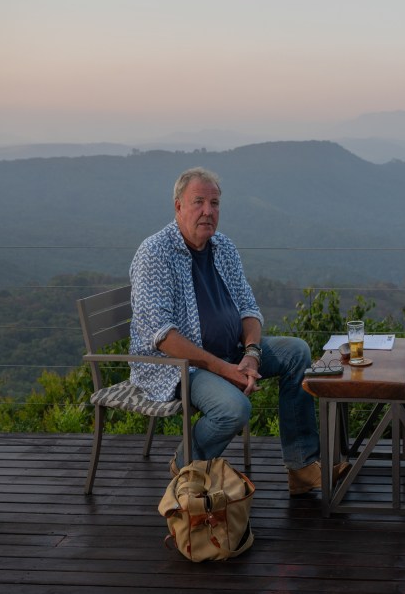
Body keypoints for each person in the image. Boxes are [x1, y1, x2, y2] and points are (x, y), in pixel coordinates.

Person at [128, 167, 346, 495]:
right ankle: (186, 463)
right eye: (198, 202)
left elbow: (249, 309)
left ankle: (301, 467)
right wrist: (224, 369)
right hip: (178, 367)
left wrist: (252, 355)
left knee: (297, 351)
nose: (208, 211)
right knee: (234, 408)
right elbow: (163, 336)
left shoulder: (223, 247)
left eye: (214, 203)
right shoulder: (155, 253)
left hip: (231, 353)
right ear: (178, 207)